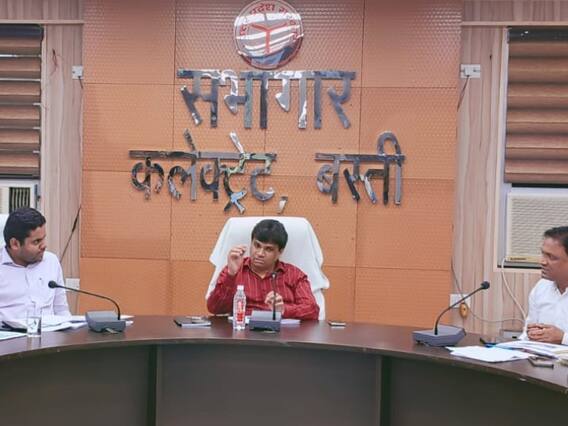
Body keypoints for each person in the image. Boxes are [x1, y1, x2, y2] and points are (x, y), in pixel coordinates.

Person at [207, 219, 319, 320]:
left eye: (268, 249)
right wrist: (231, 275)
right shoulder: (233, 269)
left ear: (280, 252)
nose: (260, 253)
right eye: (257, 245)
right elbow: (214, 308)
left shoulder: (294, 274)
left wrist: (283, 309)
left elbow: (313, 310)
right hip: (243, 332)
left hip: (281, 334)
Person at [0, 207, 70, 322]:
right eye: (36, 242)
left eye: (43, 239)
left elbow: (61, 310)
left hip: (50, 332)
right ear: (15, 244)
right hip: (8, 332)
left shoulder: (51, 262)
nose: (44, 246)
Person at [520, 226, 568, 345]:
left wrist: (563, 338)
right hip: (540, 354)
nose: (543, 262)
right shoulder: (541, 287)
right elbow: (527, 334)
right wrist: (529, 335)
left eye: (552, 257)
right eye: (543, 254)